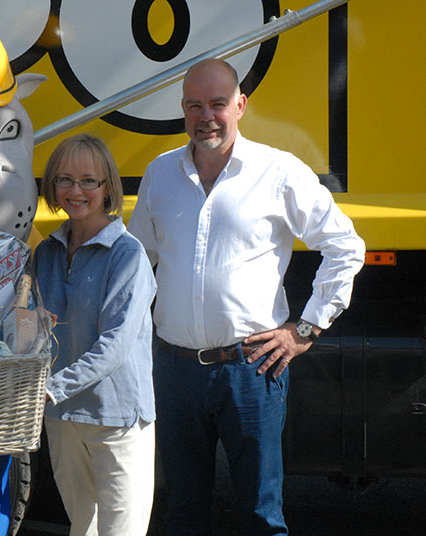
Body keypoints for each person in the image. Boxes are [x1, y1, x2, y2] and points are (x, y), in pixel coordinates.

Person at [127, 58, 366, 535]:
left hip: (252, 369)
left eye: (217, 104)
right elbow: (137, 264)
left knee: (260, 515)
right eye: (194, 106)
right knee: (181, 513)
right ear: (182, 109)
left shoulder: (277, 172)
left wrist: (305, 328)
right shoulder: (159, 174)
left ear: (240, 105)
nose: (206, 117)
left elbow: (345, 246)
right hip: (174, 371)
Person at [33, 134, 157, 536]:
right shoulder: (46, 253)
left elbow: (116, 344)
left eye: (90, 180)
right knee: (82, 528)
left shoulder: (128, 254)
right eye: (65, 180)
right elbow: (29, 331)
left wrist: (50, 388)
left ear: (108, 189)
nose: (76, 191)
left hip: (115, 417)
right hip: (62, 417)